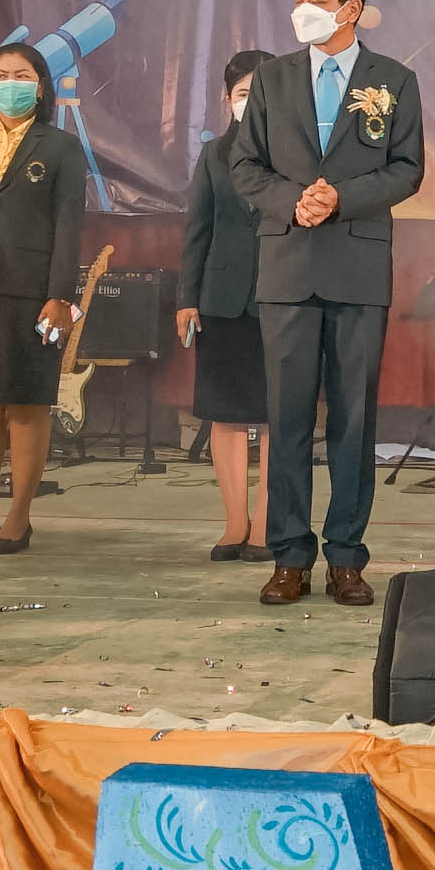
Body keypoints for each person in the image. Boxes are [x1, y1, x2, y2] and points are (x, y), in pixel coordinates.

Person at [227, 0, 425, 608]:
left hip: (357, 268)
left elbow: (407, 169)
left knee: (353, 421)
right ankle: (289, 555)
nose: (301, 10)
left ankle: (346, 556)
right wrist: (295, 201)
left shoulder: (393, 79)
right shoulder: (272, 78)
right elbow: (245, 165)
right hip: (287, 265)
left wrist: (340, 197)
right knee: (286, 419)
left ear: (350, 8)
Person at [0, 43, 92, 555]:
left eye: (22, 75)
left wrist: (60, 296)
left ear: (41, 85)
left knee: (28, 406)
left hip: (35, 294)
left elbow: (69, 226)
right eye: (1, 74)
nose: (10, 83)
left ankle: (19, 517)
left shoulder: (60, 147)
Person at [174, 51, 272, 562]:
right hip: (221, 300)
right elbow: (198, 229)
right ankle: (236, 523)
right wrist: (187, 299)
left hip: (282, 298)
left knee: (278, 418)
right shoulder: (214, 154)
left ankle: (267, 526)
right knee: (226, 416)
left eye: (262, 93)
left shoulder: (300, 152)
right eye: (242, 93)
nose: (250, 102)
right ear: (226, 98)